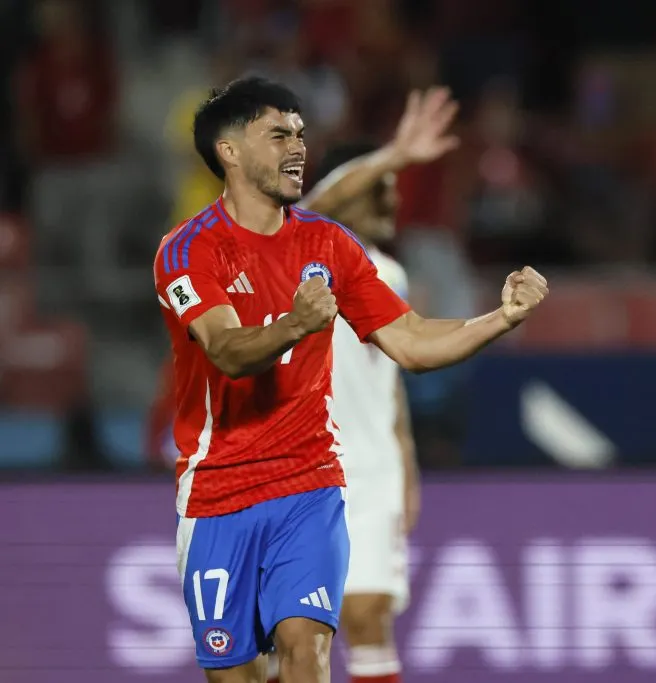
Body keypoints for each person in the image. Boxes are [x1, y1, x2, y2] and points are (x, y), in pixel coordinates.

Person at [153, 76, 547, 683]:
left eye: (301, 133)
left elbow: (412, 341)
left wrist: (502, 318)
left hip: (310, 487)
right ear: (229, 151)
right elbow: (227, 351)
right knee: (239, 674)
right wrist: (295, 325)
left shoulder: (329, 245)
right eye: (278, 133)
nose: (297, 146)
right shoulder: (187, 250)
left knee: (307, 651)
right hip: (218, 496)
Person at [273, 89, 460, 683]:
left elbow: (391, 382)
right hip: (303, 466)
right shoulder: (306, 258)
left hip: (374, 468)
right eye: (379, 187)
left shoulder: (392, 273)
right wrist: (394, 154)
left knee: (370, 613)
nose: (392, 198)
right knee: (294, 635)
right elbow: (320, 204)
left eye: (395, 188)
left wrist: (406, 464)